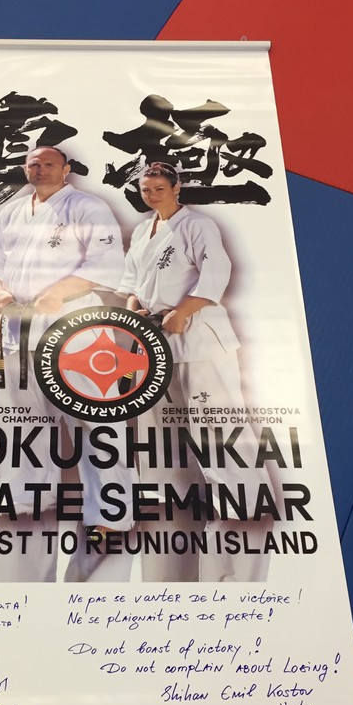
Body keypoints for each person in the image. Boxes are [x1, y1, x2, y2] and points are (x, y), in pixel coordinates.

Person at [0, 146, 134, 582]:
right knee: (21, 418)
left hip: (76, 325)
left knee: (95, 418)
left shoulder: (87, 207)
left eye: (49, 163)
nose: (40, 169)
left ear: (66, 170)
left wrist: (62, 290)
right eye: (33, 163)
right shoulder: (12, 211)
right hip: (19, 324)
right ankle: (26, 499)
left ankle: (111, 511)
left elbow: (108, 263)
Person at [117, 162, 273, 582]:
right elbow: (131, 283)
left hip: (199, 336)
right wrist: (134, 313)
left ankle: (245, 504)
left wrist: (184, 310)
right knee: (159, 435)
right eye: (146, 190)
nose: (152, 195)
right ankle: (171, 512)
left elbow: (216, 273)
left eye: (159, 188)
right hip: (156, 341)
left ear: (177, 187)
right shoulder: (143, 230)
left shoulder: (198, 225)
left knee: (217, 426)